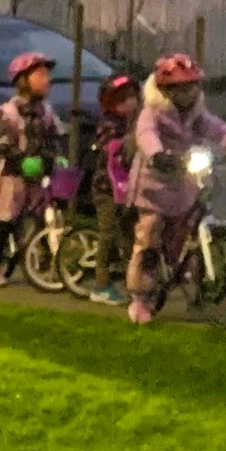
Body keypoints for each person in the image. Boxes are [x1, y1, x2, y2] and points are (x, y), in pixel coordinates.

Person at [127, 52, 226, 325]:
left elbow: (214, 126)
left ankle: (198, 279)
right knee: (150, 235)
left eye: (192, 86)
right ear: (166, 90)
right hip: (153, 184)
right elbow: (145, 134)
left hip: (182, 182)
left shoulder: (194, 113)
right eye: (181, 87)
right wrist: (157, 154)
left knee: (186, 228)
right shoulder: (152, 113)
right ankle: (140, 298)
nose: (189, 92)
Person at [0, 51, 64, 289]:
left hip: (37, 175)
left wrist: (55, 157)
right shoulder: (9, 113)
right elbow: (2, 144)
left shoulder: (46, 114)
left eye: (47, 75)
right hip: (12, 176)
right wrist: (22, 159)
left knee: (44, 214)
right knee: (6, 217)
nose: (46, 80)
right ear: (24, 80)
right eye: (40, 74)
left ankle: (47, 260)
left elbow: (54, 137)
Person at [85, 72, 141, 307]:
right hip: (106, 189)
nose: (129, 102)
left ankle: (134, 283)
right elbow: (116, 150)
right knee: (108, 233)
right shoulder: (109, 125)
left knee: (129, 235)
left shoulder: (135, 122)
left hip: (127, 188)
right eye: (122, 99)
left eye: (132, 97)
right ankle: (100, 284)